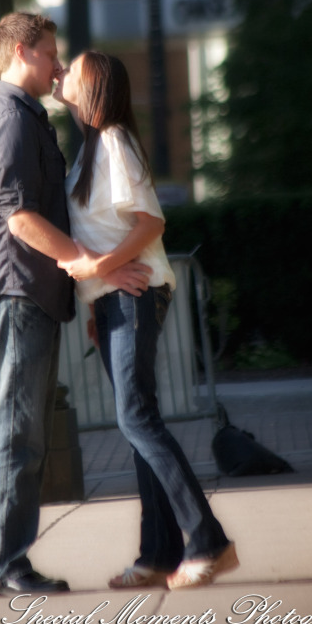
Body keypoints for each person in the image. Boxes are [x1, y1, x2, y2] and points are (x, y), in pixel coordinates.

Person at [0, 13, 150, 597]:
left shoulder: (26, 116)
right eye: (50, 53)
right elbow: (20, 219)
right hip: (15, 291)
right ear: (22, 52)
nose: (58, 65)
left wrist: (84, 284)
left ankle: (8, 562)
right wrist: (95, 267)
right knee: (15, 435)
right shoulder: (11, 120)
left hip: (28, 293)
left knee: (25, 435)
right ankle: (3, 567)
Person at [54, 49, 238, 590]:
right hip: (114, 302)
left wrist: (100, 270)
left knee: (136, 420)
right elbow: (104, 230)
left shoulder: (114, 139)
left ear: (95, 86)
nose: (61, 70)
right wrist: (96, 301)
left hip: (135, 295)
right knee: (138, 424)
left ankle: (208, 542)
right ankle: (158, 554)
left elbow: (149, 222)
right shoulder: (89, 149)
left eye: (72, 68)